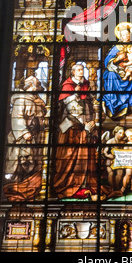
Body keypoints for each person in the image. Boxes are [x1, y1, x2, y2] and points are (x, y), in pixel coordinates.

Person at [53, 63, 111, 200]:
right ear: (72, 72)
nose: (81, 71)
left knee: (87, 156)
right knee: (70, 156)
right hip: (71, 129)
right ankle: (71, 184)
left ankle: (85, 184)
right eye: (79, 70)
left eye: (82, 69)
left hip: (85, 127)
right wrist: (83, 123)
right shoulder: (67, 86)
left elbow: (89, 104)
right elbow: (69, 107)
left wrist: (91, 122)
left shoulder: (85, 84)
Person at [3, 75, 47, 201]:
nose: (40, 87)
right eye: (37, 84)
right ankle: (14, 189)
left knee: (34, 162)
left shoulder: (35, 99)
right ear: (30, 86)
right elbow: (17, 118)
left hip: (36, 137)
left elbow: (40, 117)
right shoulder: (20, 99)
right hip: (22, 138)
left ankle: (29, 191)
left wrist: (42, 107)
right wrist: (24, 133)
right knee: (20, 162)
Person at [103, 23, 132, 119]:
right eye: (123, 35)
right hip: (117, 72)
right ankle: (113, 101)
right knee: (110, 75)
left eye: (128, 34)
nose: (126, 36)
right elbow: (107, 62)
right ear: (120, 37)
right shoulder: (116, 48)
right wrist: (117, 59)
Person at [103, 126, 126, 190]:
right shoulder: (110, 141)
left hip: (119, 160)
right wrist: (109, 156)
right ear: (115, 133)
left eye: (123, 134)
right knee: (111, 173)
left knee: (120, 173)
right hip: (110, 160)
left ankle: (117, 187)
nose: (122, 135)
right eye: (120, 133)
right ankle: (112, 188)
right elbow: (104, 152)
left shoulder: (123, 142)